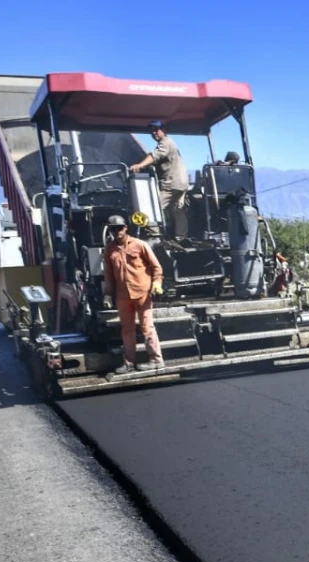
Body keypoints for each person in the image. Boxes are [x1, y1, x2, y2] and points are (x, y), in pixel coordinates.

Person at [102, 216, 164, 373]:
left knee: (147, 327)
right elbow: (109, 275)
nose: (116, 232)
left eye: (119, 228)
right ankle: (129, 363)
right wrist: (108, 295)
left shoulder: (140, 245)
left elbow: (156, 267)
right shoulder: (109, 249)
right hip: (123, 296)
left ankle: (156, 360)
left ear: (126, 228)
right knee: (127, 329)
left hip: (143, 293)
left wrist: (156, 284)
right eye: (112, 229)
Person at [130, 120, 189, 238]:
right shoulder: (170, 143)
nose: (154, 133)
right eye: (151, 131)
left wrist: (140, 165)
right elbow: (161, 161)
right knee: (176, 208)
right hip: (181, 183)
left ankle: (154, 235)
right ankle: (181, 236)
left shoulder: (166, 143)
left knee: (151, 209)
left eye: (156, 130)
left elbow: (155, 156)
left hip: (170, 183)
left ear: (163, 130)